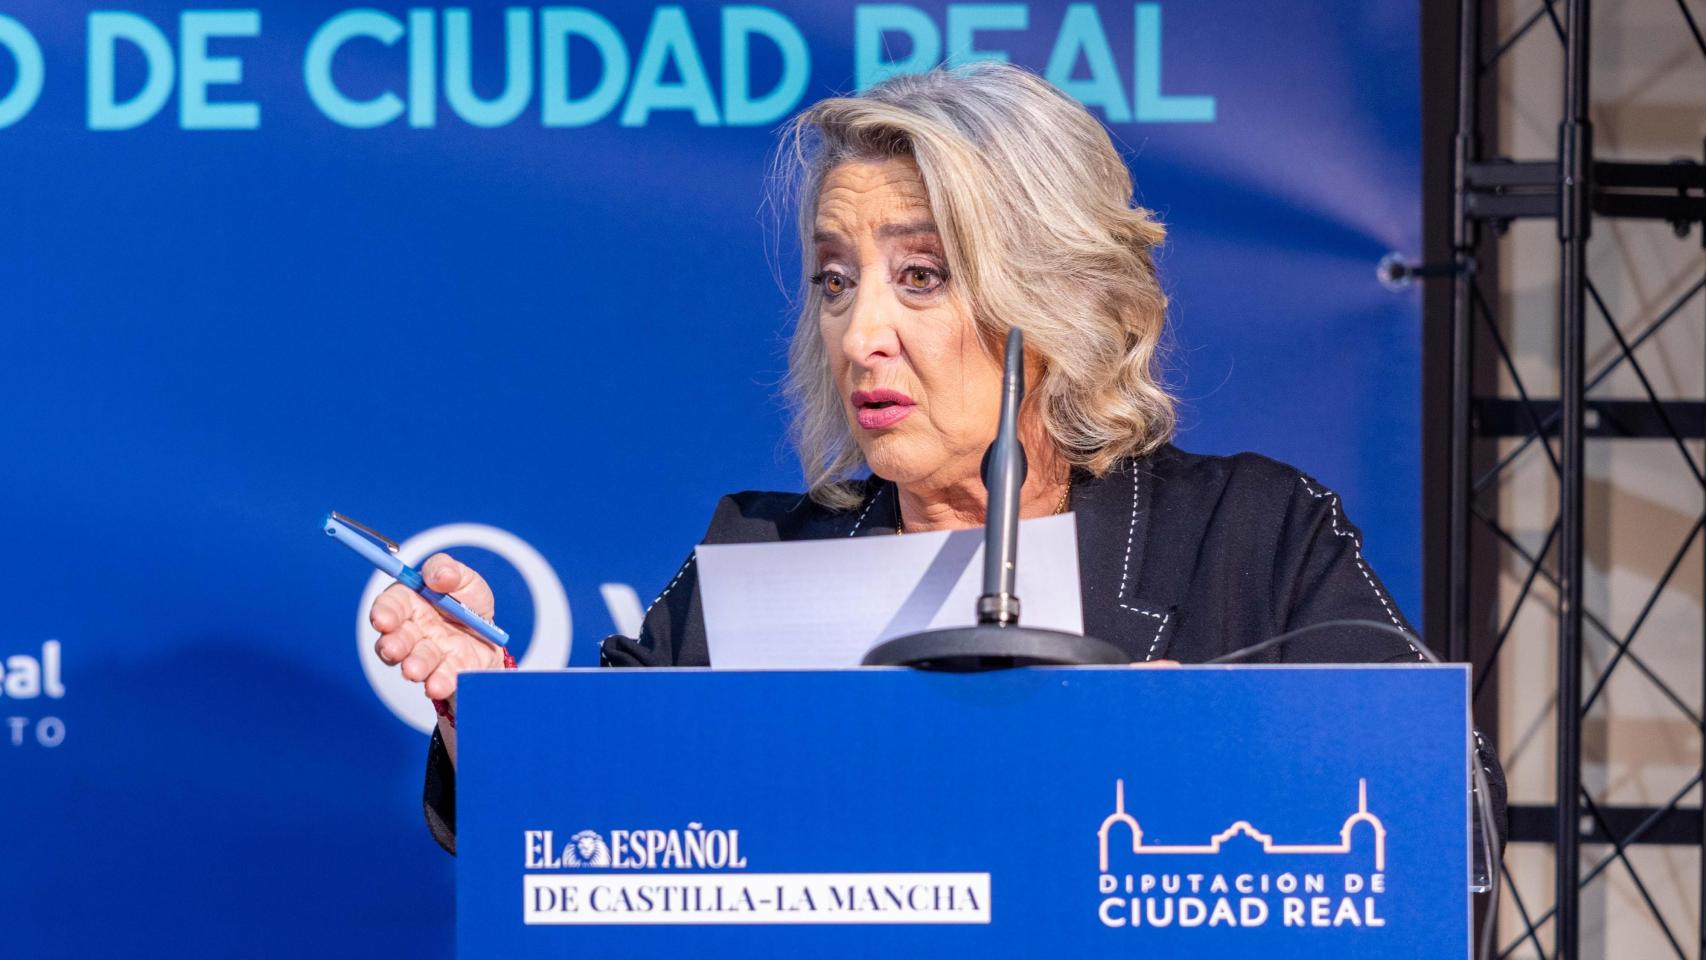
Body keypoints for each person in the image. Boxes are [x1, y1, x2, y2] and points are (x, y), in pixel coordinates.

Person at [364, 61, 1507, 856]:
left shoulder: (1250, 535)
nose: (860, 331)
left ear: (1057, 300)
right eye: (834, 280)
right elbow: (576, 834)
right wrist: (487, 718)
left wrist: (1215, 752)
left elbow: (1448, 817)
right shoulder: (759, 556)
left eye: (920, 276)